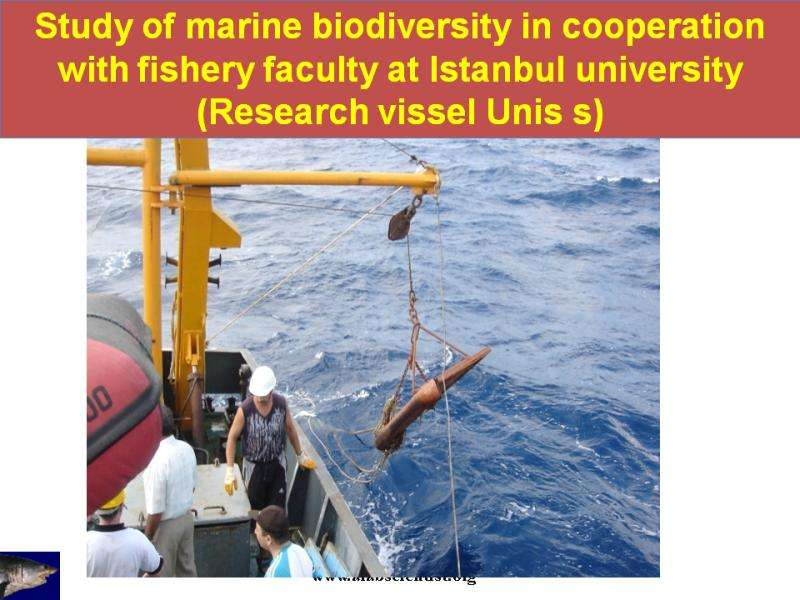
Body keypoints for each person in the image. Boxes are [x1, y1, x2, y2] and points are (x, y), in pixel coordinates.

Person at [224, 365, 316, 511]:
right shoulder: (245, 410)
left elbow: (290, 428)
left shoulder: (281, 404)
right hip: (254, 468)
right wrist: (230, 470)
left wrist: (300, 455)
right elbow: (232, 438)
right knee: (255, 510)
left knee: (277, 509)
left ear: (271, 390)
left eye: (264, 395)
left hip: (277, 465)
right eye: (258, 394)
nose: (260, 398)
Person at [142, 404, 198, 577]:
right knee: (187, 573)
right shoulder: (187, 448)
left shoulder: (155, 459)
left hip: (165, 528)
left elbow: (155, 512)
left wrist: (147, 539)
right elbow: (192, 486)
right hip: (186, 520)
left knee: (160, 575)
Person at [87, 490, 163, 577]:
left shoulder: (86, 541)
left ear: (97, 509)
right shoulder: (137, 538)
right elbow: (157, 571)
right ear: (122, 506)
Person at [255, 506, 314, 578]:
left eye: (257, 529)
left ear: (268, 539)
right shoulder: (299, 550)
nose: (255, 532)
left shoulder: (275, 573)